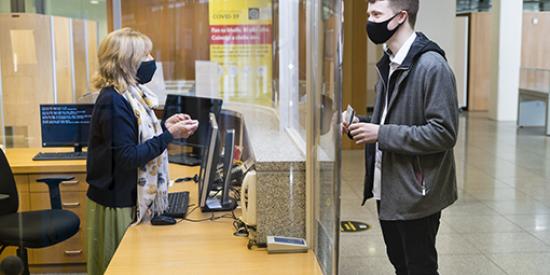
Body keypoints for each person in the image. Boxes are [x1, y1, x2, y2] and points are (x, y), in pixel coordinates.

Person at [343, 0, 459, 274]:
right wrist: (359, 124)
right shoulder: (390, 62)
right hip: (390, 188)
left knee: (419, 268)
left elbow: (444, 133)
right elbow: (390, 121)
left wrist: (380, 133)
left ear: (401, 17)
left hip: (417, 194)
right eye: (369, 14)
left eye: (376, 14)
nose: (370, 21)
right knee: (400, 264)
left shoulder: (432, 66)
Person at [85, 28, 199, 275]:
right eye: (146, 54)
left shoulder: (132, 96)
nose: (151, 60)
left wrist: (166, 128)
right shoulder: (114, 102)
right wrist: (170, 135)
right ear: (128, 62)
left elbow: (136, 138)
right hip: (117, 203)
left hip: (127, 196)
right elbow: (127, 157)